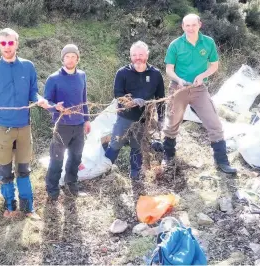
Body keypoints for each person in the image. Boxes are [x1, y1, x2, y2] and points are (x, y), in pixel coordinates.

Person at [0, 28, 49, 219]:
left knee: (23, 169)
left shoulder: (28, 67)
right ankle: (10, 207)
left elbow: (33, 92)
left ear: (17, 44)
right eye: (3, 43)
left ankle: (28, 208)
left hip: (24, 127)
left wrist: (39, 99)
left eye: (11, 43)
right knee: (4, 171)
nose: (7, 47)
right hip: (2, 128)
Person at [162, 14, 237, 174]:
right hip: (179, 88)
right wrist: (179, 79)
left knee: (214, 123)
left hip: (199, 89)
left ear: (199, 25)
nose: (190, 28)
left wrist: (202, 76)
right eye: (187, 25)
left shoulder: (208, 42)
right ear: (182, 27)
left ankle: (222, 161)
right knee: (172, 123)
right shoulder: (175, 45)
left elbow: (214, 65)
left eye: (193, 25)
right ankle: (168, 156)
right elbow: (169, 69)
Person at [103, 41, 165, 180]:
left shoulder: (155, 74)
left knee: (137, 146)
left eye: (141, 54)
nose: (138, 57)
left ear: (147, 55)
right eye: (134, 55)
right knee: (115, 143)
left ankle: (135, 175)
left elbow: (161, 99)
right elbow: (118, 95)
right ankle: (104, 170)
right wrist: (132, 101)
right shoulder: (122, 73)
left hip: (144, 119)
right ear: (130, 56)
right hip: (124, 117)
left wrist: (161, 119)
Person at [42, 44, 91, 201]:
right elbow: (47, 102)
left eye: (73, 56)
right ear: (62, 59)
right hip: (62, 125)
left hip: (78, 125)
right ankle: (52, 190)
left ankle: (72, 185)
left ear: (77, 58)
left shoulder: (82, 75)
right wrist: (55, 108)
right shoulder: (53, 78)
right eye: (67, 56)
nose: (70, 59)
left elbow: (84, 100)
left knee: (76, 157)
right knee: (57, 158)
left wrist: (87, 120)